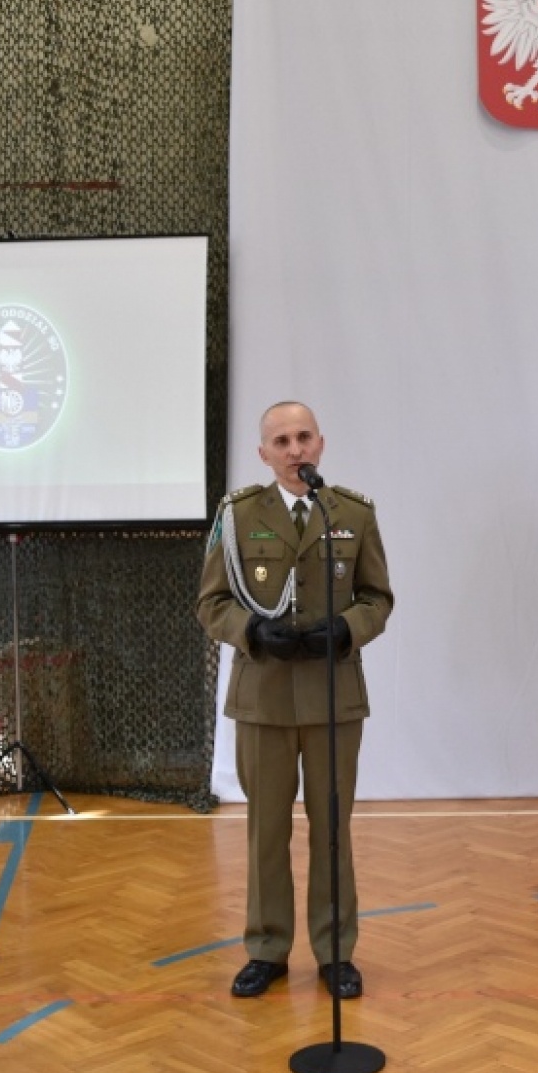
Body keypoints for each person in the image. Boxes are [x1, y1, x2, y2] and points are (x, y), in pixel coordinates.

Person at [197, 401, 394, 999]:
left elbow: (377, 597)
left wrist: (349, 629)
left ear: (321, 444)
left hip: (334, 697)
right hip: (263, 697)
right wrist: (252, 632)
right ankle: (267, 949)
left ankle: (336, 952)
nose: (294, 450)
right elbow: (212, 604)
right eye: (280, 440)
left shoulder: (350, 513)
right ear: (263, 453)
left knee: (332, 829)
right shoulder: (237, 516)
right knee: (266, 830)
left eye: (303, 437)